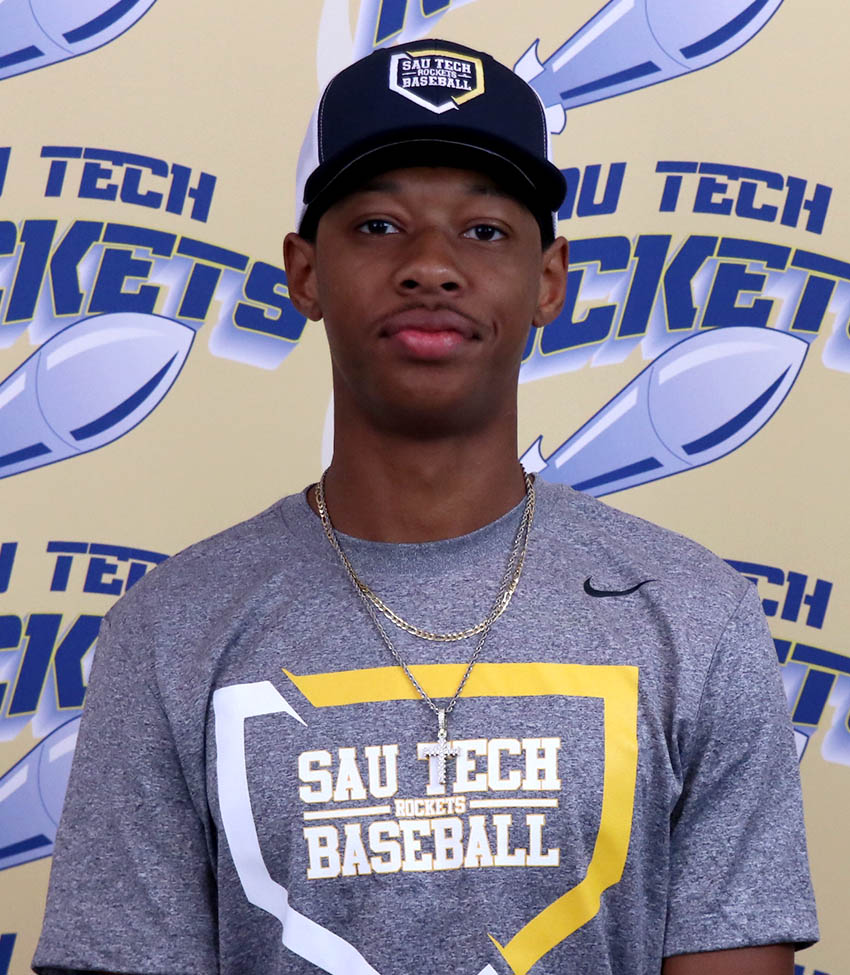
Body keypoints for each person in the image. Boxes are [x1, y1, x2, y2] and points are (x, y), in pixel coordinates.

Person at [34, 38, 817, 975]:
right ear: (304, 272)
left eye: (484, 231)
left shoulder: (694, 612)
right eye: (377, 226)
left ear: (550, 280)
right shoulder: (172, 625)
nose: (432, 266)